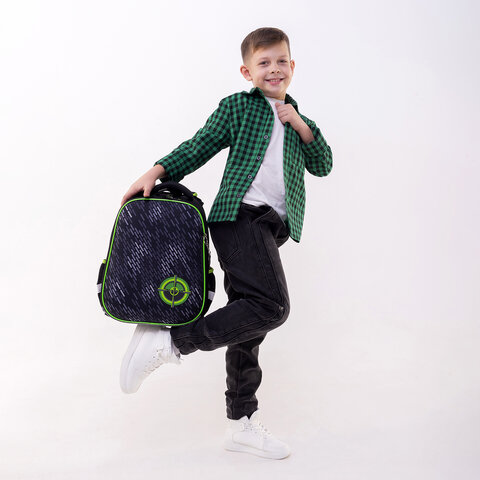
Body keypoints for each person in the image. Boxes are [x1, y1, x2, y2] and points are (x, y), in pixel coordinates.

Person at [118, 27, 333, 460]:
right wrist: (156, 172)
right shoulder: (238, 107)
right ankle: (172, 342)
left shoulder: (298, 119)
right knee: (272, 307)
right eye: (263, 62)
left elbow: (323, 164)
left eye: (281, 61)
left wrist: (300, 124)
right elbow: (200, 145)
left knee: (250, 325)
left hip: (270, 229)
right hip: (239, 218)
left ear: (293, 66)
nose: (274, 69)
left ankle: (242, 423)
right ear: (247, 72)